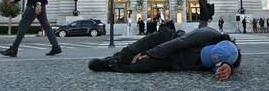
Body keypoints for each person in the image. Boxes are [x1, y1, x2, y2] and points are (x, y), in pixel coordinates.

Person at [88, 27, 242, 81]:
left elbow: (229, 62)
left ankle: (110, 66)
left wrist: (228, 68)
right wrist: (149, 53)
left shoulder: (228, 56)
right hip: (166, 40)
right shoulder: (208, 33)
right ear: (215, 44)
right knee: (132, 53)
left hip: (173, 62)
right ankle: (115, 58)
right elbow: (178, 43)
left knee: (140, 66)